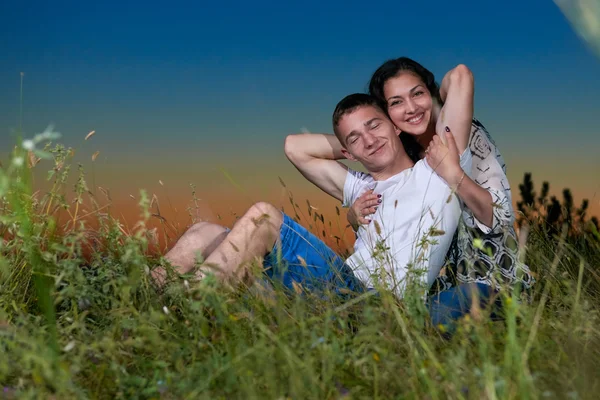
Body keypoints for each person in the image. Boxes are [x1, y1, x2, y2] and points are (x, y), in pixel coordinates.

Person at [152, 92, 472, 301]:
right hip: (334, 285)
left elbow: (459, 80)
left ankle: (189, 304)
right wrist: (354, 143)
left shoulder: (435, 171)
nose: (370, 140)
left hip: (372, 301)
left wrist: (372, 131)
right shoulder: (359, 186)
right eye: (355, 139)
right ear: (346, 151)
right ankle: (143, 297)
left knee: (264, 216)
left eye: (375, 126)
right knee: (204, 232)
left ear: (396, 126)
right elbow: (294, 146)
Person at [347, 58, 535, 327]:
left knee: (420, 324)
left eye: (418, 93)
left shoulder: (466, 136)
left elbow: (498, 217)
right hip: (445, 286)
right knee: (399, 323)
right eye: (396, 102)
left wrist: (454, 174)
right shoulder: (407, 156)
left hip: (494, 280)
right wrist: (353, 217)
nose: (411, 108)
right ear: (387, 116)